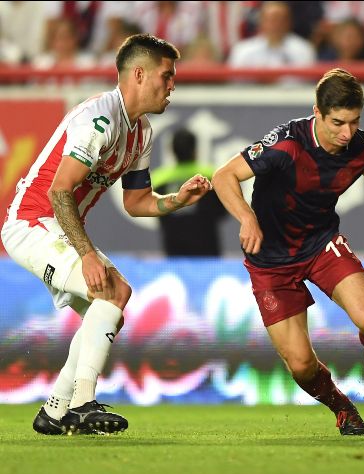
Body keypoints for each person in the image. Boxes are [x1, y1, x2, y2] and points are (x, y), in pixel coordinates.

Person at [1, 34, 213, 435]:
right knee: (111, 293)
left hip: (57, 226)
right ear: (138, 74)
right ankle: (82, 403)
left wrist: (179, 200)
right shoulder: (98, 119)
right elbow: (59, 190)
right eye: (166, 76)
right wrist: (86, 254)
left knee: (111, 300)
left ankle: (56, 410)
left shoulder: (142, 132)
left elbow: (137, 202)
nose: (172, 86)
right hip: (31, 223)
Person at [212, 68, 364, 436]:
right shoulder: (286, 144)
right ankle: (342, 407)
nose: (347, 133)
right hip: (271, 262)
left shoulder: (359, 144)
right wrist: (247, 217)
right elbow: (223, 176)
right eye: (338, 123)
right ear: (317, 113)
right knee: (301, 366)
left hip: (321, 244)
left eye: (355, 122)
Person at [155, 128, 227, 256]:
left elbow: (155, 211)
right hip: (207, 248)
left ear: (172, 151)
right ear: (195, 150)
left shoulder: (158, 180)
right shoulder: (212, 176)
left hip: (173, 248)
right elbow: (223, 210)